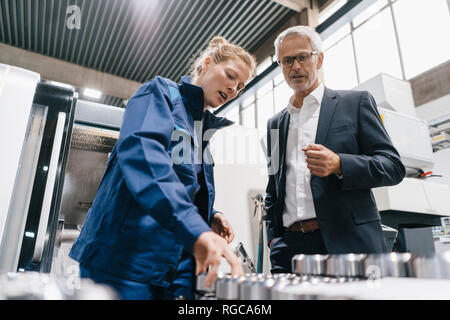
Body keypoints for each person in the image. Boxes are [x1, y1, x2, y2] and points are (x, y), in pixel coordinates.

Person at [69, 37, 256, 299]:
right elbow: (145, 159)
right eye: (230, 75)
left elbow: (181, 183)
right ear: (207, 63)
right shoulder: (160, 94)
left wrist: (209, 214)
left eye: (240, 87)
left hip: (170, 268)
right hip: (124, 260)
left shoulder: (200, 130)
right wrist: (194, 228)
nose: (233, 88)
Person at [264, 26, 406, 274]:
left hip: (347, 243)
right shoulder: (275, 124)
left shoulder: (355, 103)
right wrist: (273, 238)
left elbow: (393, 166)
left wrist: (341, 164)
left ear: (319, 58)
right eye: (287, 60)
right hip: (290, 250)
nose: (295, 66)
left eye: (302, 57)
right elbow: (273, 187)